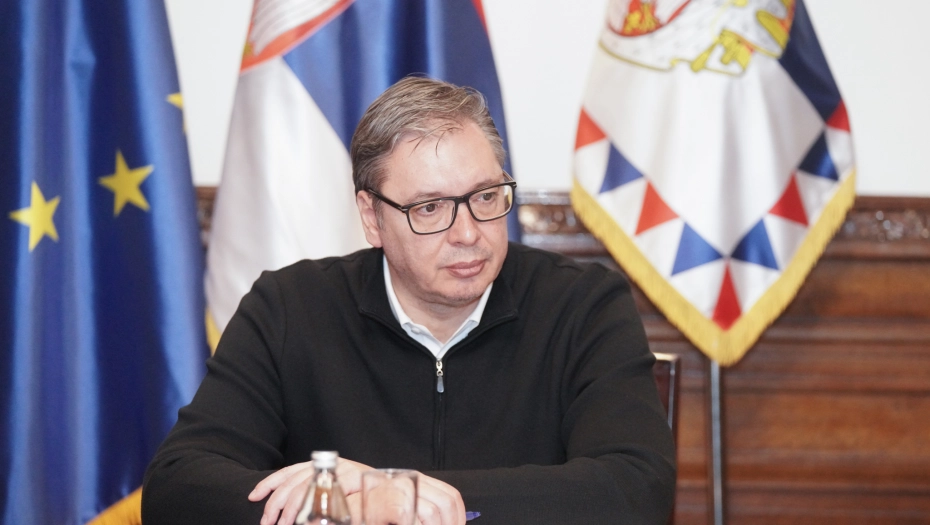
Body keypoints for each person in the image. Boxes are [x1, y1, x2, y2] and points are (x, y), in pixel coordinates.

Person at [142, 76, 676, 525]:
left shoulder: (583, 305)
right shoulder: (289, 309)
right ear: (372, 217)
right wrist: (342, 501)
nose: (468, 233)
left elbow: (636, 488)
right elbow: (176, 488)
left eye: (485, 196)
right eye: (429, 208)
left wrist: (403, 495)